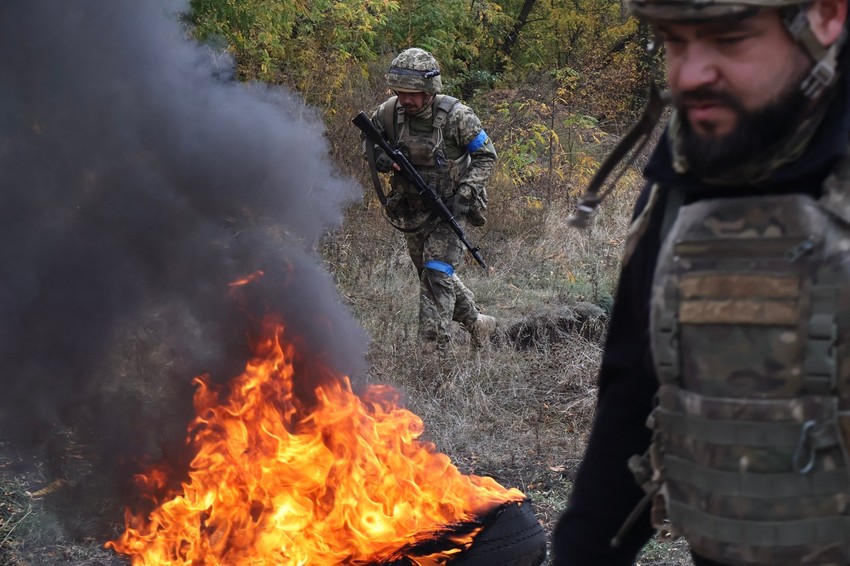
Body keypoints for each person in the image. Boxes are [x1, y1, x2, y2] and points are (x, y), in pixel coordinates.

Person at [552, 0, 849, 563]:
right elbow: (633, 395)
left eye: (730, 40)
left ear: (826, 17)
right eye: (674, 41)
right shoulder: (685, 176)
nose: (689, 76)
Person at [364, 47, 498, 353]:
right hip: (413, 209)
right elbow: (368, 142)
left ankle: (432, 353)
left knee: (437, 272)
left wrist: (466, 191)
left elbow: (486, 156)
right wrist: (382, 158)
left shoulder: (457, 117)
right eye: (400, 92)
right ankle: (477, 323)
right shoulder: (387, 114)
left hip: (450, 207)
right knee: (430, 274)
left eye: (413, 93)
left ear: (429, 90)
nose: (406, 99)